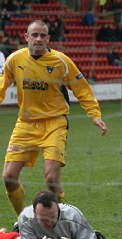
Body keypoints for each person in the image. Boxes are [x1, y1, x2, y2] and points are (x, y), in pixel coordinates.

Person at [0, 20, 108, 216]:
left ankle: (59, 221)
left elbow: (81, 88)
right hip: (25, 123)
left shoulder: (61, 61)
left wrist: (94, 115)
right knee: (8, 177)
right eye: (34, 35)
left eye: (43, 35)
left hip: (54, 123)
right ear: (26, 37)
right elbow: (1, 85)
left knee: (51, 179)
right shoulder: (14, 60)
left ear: (48, 39)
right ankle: (24, 221)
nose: (38, 39)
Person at [0, 190, 107, 239]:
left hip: (71, 238)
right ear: (34, 213)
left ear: (58, 209)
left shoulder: (73, 216)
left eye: (53, 217)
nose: (50, 222)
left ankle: (87, 234)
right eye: (44, 219)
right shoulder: (26, 218)